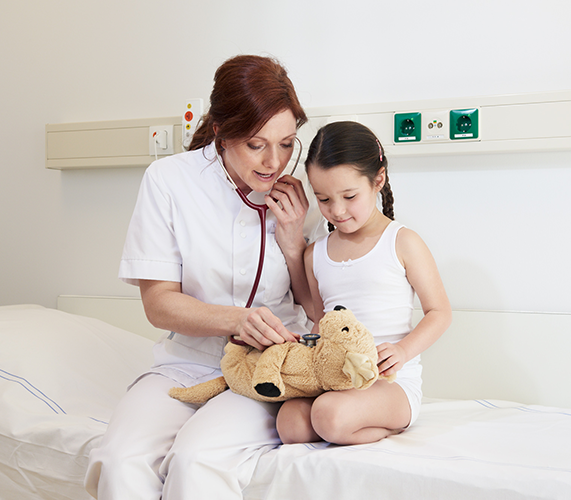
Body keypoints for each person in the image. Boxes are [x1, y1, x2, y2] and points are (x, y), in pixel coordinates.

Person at [85, 54, 324, 500]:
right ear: (221, 132)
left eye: (287, 144)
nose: (274, 162)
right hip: (186, 361)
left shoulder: (305, 194)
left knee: (195, 459)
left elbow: (318, 311)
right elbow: (159, 304)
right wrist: (237, 320)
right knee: (119, 459)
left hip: (269, 367)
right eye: (256, 145)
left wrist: (293, 242)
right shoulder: (170, 181)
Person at [276, 121, 452, 445]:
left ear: (378, 180)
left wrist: (402, 351)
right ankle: (343, 424)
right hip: (337, 379)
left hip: (390, 383)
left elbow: (440, 312)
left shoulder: (402, 242)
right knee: (289, 424)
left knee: (328, 414)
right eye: (323, 199)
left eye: (349, 196)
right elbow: (319, 317)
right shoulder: (315, 254)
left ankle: (389, 427)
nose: (337, 210)